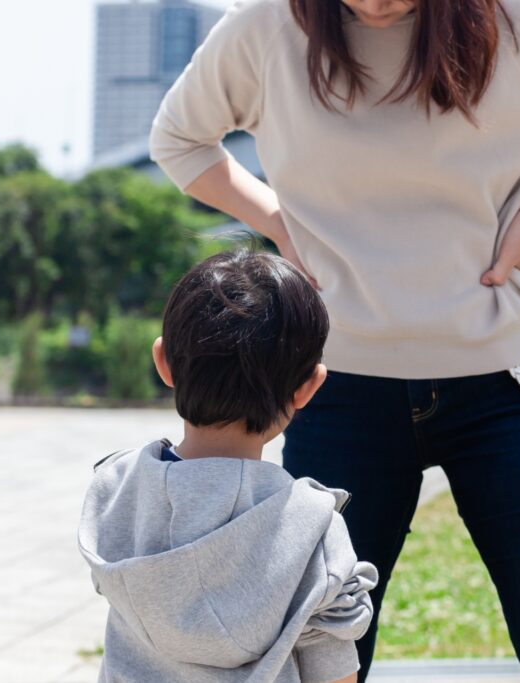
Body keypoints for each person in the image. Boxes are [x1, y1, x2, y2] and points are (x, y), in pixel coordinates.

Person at [149, 0, 520, 679]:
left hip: (506, 383)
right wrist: (280, 223)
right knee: (321, 663)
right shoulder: (267, 26)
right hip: (339, 388)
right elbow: (178, 139)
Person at [78, 249, 378, 683]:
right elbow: (335, 674)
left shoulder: (116, 491)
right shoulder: (314, 526)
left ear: (163, 363)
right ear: (309, 387)